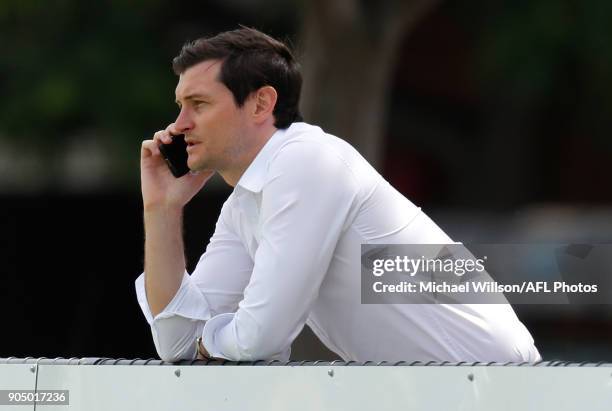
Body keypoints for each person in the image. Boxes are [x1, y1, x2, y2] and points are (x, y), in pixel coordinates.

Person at [135, 27, 541, 363]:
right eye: (180, 105)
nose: (179, 124)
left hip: (505, 392)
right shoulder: (248, 201)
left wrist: (211, 340)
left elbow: (259, 336)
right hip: (446, 392)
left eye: (198, 104)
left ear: (261, 104)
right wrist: (162, 209)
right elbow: (177, 345)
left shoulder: (306, 160)